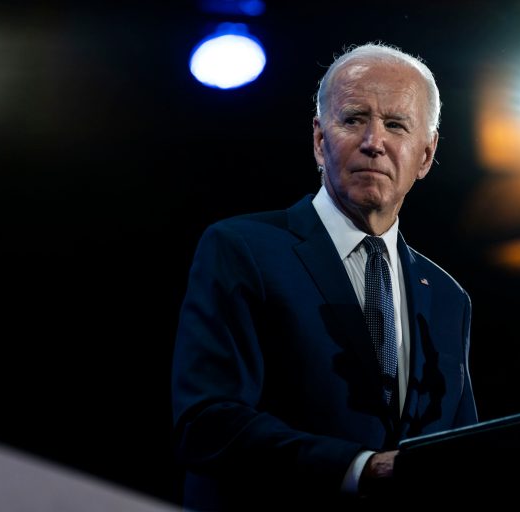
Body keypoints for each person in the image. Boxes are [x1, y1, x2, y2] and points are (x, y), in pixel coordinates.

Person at [171, 42, 478, 510]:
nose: (374, 141)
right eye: (354, 119)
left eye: (396, 125)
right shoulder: (244, 249)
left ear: (425, 153)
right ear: (319, 139)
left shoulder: (448, 298)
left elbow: (462, 456)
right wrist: (356, 468)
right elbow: (207, 423)